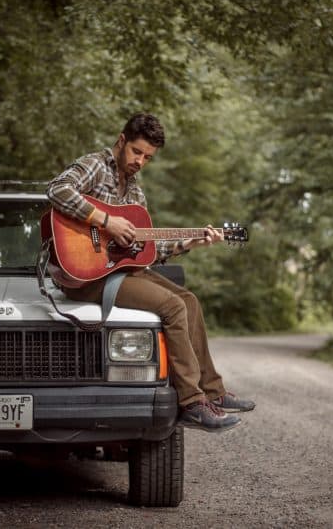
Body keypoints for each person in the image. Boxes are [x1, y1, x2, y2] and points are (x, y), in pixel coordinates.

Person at [46, 112, 255, 432]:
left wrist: (191, 243)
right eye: (136, 152)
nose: (140, 161)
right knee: (171, 307)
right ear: (121, 141)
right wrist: (106, 221)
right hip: (84, 276)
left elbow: (146, 252)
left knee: (188, 301)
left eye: (147, 157)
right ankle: (191, 402)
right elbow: (57, 190)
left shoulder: (134, 191)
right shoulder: (95, 165)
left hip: (117, 271)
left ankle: (214, 391)